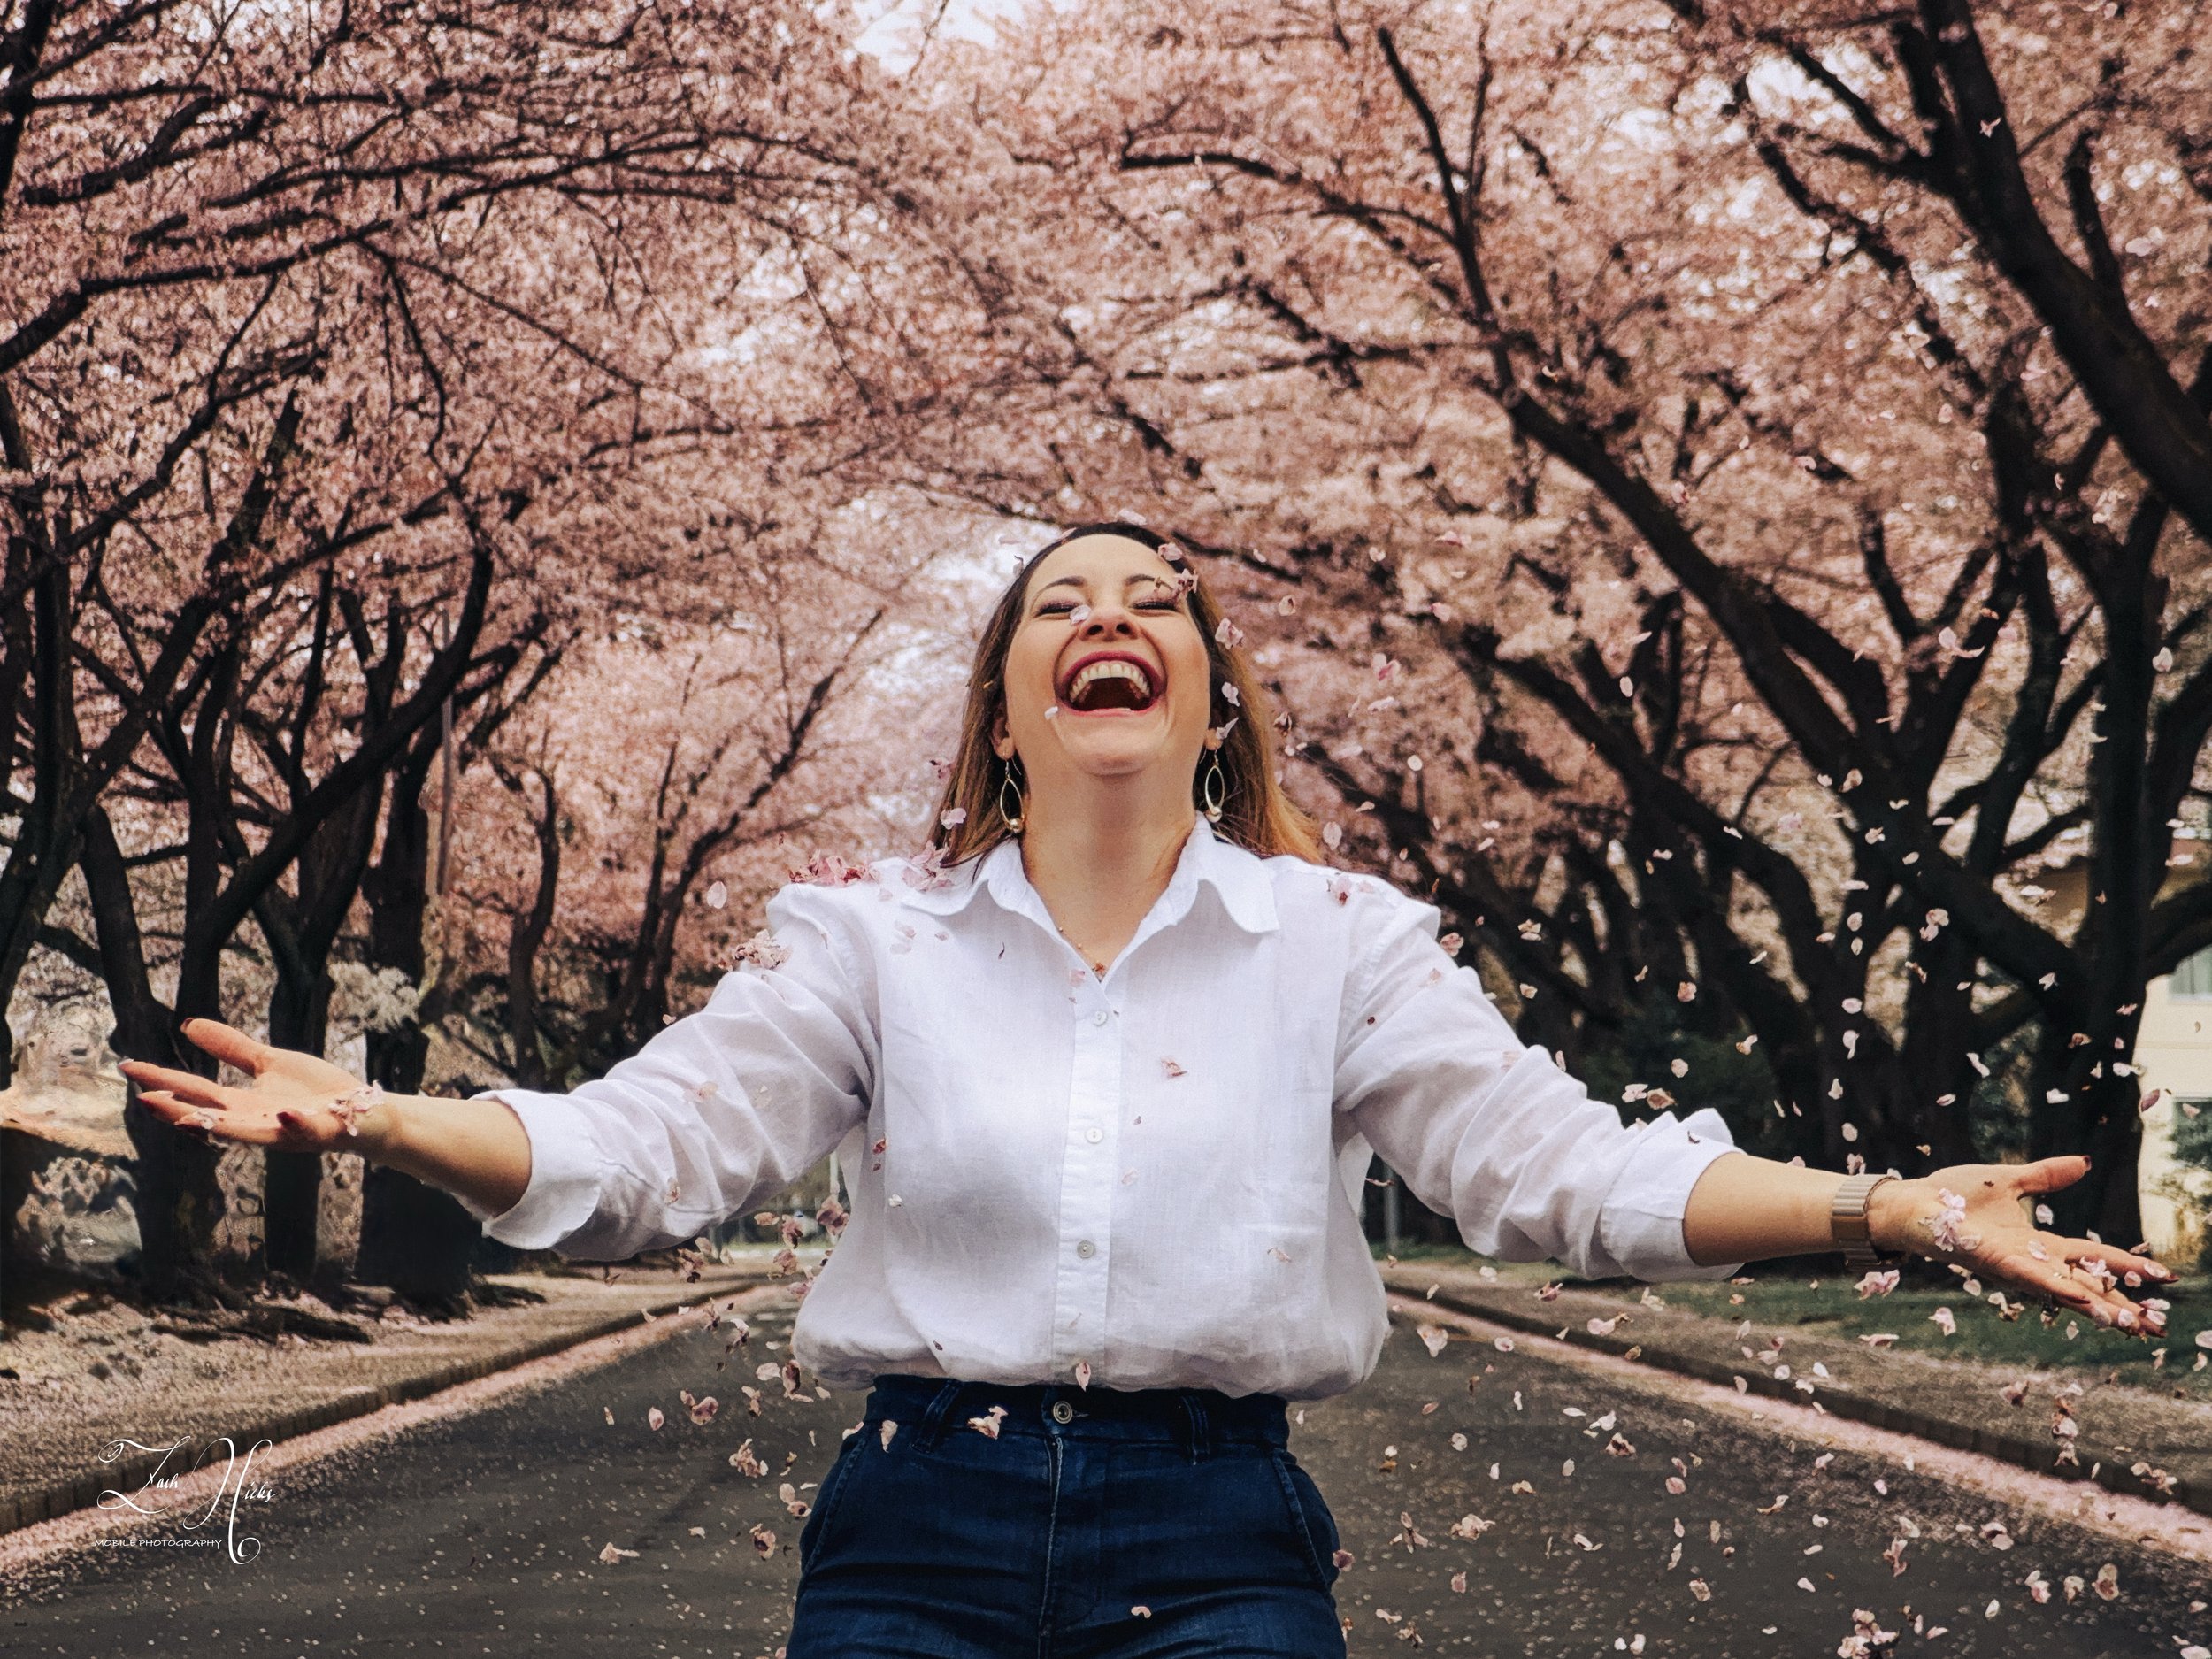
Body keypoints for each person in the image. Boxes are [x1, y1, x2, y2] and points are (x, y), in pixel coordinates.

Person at [123, 523, 2175, 1658]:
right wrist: (395, 1116)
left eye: (1154, 603)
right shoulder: (869, 941)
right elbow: (640, 1148)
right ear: (1007, 708)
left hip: (1216, 1541)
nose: (1109, 621)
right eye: (1058, 607)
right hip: (911, 1525)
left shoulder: (1340, 942)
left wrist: (1891, 1206)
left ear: (1205, 692)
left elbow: (1560, 1173)